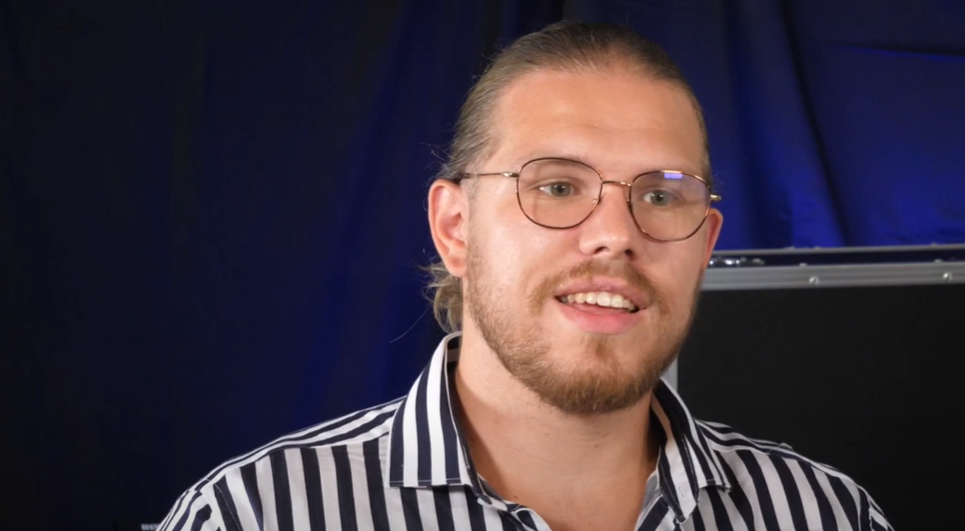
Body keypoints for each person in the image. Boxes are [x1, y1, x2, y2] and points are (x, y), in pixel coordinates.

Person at [157, 21, 894, 531]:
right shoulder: (254, 516)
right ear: (456, 227)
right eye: (558, 186)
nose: (616, 235)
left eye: (660, 196)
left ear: (705, 244)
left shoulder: (826, 516)